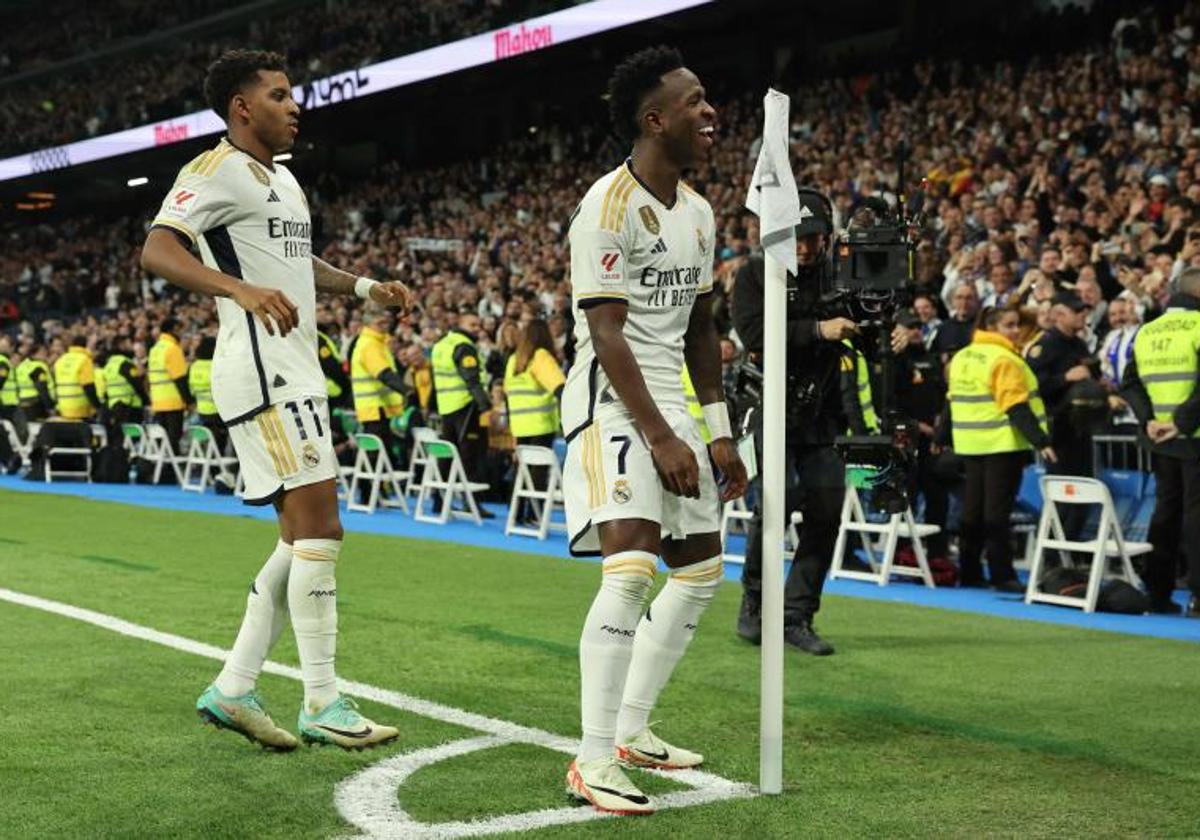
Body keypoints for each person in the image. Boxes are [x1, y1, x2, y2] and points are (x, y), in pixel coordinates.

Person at [140, 49, 413, 751]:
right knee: (323, 528)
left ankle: (233, 688)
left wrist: (362, 289)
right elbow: (160, 250)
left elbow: (297, 264)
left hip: (296, 369)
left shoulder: (283, 183)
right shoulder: (215, 170)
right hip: (262, 373)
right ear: (242, 107)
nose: (296, 107)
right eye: (281, 95)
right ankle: (322, 699)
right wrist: (237, 290)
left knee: (300, 538)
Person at [561, 46, 746, 815]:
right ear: (655, 118)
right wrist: (662, 436)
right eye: (695, 101)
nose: (711, 114)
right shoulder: (606, 206)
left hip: (678, 404)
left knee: (701, 571)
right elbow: (608, 333)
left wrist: (718, 430)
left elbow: (703, 329)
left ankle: (634, 731)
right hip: (612, 403)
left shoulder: (699, 213)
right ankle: (593, 757)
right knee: (633, 567)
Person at [732, 187, 905, 654]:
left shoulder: (842, 275)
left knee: (827, 507)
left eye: (814, 238)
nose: (806, 247)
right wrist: (817, 329)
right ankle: (755, 603)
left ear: (829, 237)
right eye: (797, 238)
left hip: (824, 413)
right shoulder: (754, 274)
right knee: (776, 502)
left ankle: (796, 615)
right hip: (769, 404)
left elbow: (868, 326)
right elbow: (753, 334)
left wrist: (892, 331)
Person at [945, 306, 1056, 590]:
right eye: (1010, 325)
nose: (1016, 330)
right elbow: (1015, 405)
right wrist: (1041, 441)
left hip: (970, 443)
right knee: (997, 513)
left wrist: (939, 437)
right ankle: (1002, 575)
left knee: (972, 511)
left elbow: (951, 401)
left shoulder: (962, 356)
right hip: (1001, 445)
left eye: (1016, 324)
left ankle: (968, 571)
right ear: (993, 327)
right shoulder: (1004, 359)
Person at [1121, 266, 1200, 617]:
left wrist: (1150, 420)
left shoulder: (1147, 331)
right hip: (1193, 436)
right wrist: (1181, 423)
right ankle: (1198, 596)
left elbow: (1130, 383)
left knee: (1166, 513)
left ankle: (1158, 592)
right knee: (1196, 517)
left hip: (1160, 439)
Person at [504, 318, 565, 523]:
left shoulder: (514, 360)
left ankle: (516, 514)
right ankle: (534, 515)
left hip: (520, 425)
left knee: (521, 470)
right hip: (541, 424)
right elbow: (559, 388)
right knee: (538, 472)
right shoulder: (541, 357)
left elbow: (507, 393)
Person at [432, 312, 492, 505]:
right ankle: (471, 502)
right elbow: (472, 379)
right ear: (461, 324)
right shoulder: (464, 346)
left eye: (478, 325)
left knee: (446, 454)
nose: (478, 329)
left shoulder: (441, 344)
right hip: (466, 406)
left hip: (446, 407)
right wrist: (486, 406)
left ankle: (438, 498)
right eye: (473, 325)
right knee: (470, 455)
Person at [349, 305, 406, 460]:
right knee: (379, 455)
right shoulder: (370, 345)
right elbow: (384, 374)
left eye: (386, 322)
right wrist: (407, 391)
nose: (385, 326)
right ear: (368, 325)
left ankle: (380, 482)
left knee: (381, 451)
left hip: (377, 407)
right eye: (380, 323)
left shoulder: (376, 342)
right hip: (375, 408)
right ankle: (380, 484)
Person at [148, 317, 192, 452]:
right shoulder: (173, 349)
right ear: (174, 329)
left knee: (164, 442)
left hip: (158, 402)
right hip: (173, 402)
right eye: (180, 330)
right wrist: (189, 401)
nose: (182, 334)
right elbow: (180, 379)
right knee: (173, 440)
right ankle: (172, 471)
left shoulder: (154, 349)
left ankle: (164, 470)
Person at [189, 335, 229, 456]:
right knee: (219, 445)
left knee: (210, 443)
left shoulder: (194, 366)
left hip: (202, 411)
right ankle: (219, 471)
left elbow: (191, 390)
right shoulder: (216, 365)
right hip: (218, 411)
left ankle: (212, 470)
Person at [53, 331, 102, 421]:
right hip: (80, 410)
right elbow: (88, 387)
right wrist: (98, 407)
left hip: (63, 410)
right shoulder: (84, 360)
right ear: (85, 346)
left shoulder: (61, 360)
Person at [101, 336, 148, 427]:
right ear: (122, 345)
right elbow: (137, 383)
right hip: (129, 407)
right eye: (129, 344)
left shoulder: (110, 364)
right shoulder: (125, 363)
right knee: (132, 436)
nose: (132, 347)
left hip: (114, 405)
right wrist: (147, 401)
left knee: (119, 436)